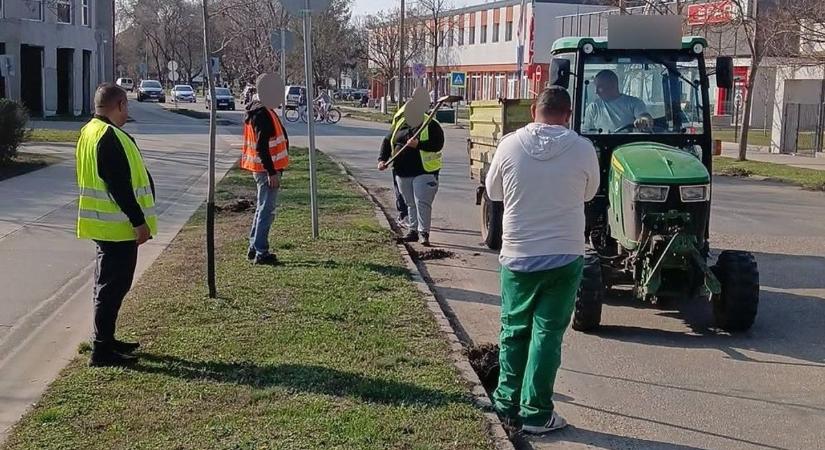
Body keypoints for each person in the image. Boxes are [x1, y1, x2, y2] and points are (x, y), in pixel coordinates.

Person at [485, 87, 600, 434]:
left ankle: (505, 404)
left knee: (514, 329)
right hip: (564, 254)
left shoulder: (509, 145)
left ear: (533, 109)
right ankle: (536, 412)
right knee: (547, 335)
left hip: (518, 254)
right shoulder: (583, 148)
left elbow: (493, 192)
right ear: (568, 115)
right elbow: (590, 192)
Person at [76, 83, 157, 367]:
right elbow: (119, 186)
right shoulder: (109, 137)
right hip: (118, 227)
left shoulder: (90, 131)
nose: (127, 111)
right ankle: (102, 350)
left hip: (104, 225)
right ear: (120, 105)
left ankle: (106, 340)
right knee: (112, 288)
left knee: (107, 286)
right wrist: (139, 222)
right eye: (126, 106)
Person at [377, 104, 444, 247]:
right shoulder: (401, 123)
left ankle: (424, 233)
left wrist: (418, 145)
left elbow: (438, 144)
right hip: (402, 171)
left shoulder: (430, 123)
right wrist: (382, 159)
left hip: (424, 171)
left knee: (422, 203)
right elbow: (388, 141)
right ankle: (412, 231)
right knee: (410, 203)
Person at [242, 94, 290, 265]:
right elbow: (261, 146)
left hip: (264, 169)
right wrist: (271, 172)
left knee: (262, 209)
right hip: (267, 170)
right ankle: (261, 251)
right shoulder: (262, 114)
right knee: (266, 211)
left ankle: (254, 247)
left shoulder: (260, 111)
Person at [583, 69, 653, 133]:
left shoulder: (634, 103)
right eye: (595, 87)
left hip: (629, 142)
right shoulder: (593, 107)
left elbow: (644, 116)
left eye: (600, 87)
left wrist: (643, 120)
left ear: (613, 85)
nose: (596, 91)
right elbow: (586, 132)